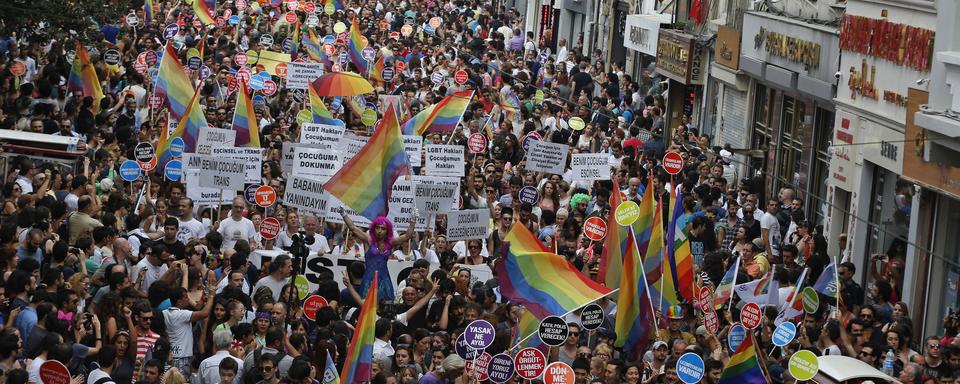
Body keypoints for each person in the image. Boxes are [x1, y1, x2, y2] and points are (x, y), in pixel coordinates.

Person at [340, 212, 417, 301]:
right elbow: (353, 228)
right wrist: (343, 214)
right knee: (366, 306)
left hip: (384, 279)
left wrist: (413, 220)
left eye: (383, 228)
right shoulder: (369, 240)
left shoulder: (390, 243)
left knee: (385, 307)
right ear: (373, 229)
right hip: (369, 279)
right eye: (377, 228)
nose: (379, 230)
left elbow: (408, 236)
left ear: (387, 231)